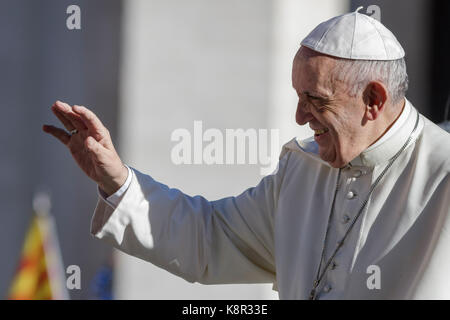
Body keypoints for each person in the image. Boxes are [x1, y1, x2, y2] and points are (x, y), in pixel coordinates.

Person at [43, 11, 450, 299]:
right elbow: (210, 237)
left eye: (315, 100)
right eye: (297, 97)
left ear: (373, 100)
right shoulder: (302, 171)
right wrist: (117, 180)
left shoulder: (443, 173)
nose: (299, 116)